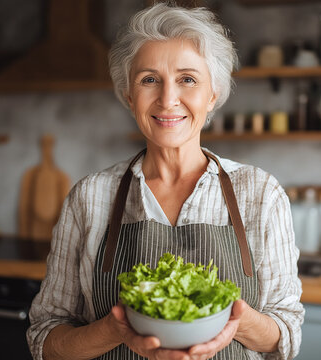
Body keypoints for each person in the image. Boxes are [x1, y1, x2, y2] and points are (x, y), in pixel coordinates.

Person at [27, 3, 304, 360]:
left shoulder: (261, 194)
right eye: (149, 80)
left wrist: (233, 318)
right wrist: (115, 329)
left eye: (187, 79)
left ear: (213, 94)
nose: (168, 99)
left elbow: (286, 336)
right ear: (130, 96)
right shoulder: (90, 196)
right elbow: (44, 340)